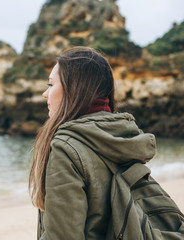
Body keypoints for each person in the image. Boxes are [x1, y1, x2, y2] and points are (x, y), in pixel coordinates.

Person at [29, 47, 156, 239]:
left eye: (51, 84)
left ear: (75, 88)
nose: (45, 94)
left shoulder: (65, 148)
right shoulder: (124, 135)